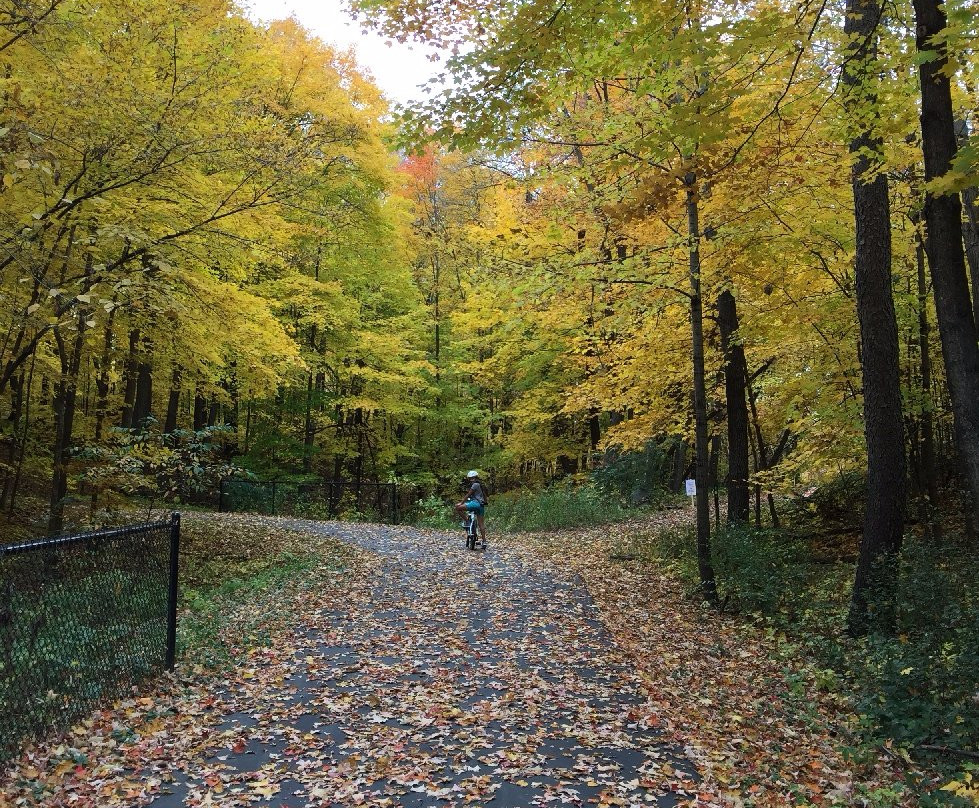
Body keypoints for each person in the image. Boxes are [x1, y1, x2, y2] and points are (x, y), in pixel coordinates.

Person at [455, 470, 488, 545]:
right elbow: (484, 496)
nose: (471, 479)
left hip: (475, 504)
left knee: (458, 508)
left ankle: (467, 521)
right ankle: (484, 541)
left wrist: (461, 503)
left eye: (473, 478)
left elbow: (468, 495)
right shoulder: (480, 485)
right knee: (481, 524)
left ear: (476, 478)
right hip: (481, 505)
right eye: (470, 478)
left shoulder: (475, 485)